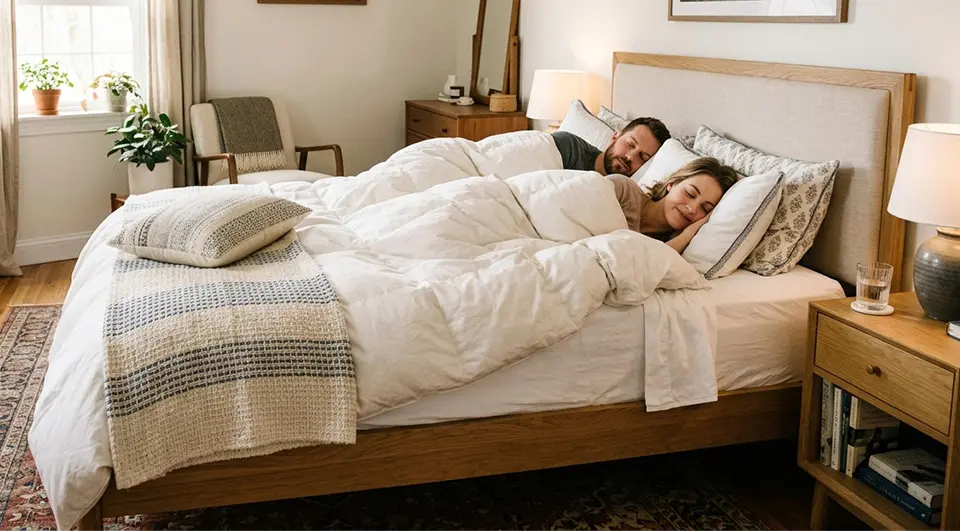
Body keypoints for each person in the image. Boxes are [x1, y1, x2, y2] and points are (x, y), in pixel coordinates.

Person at [607, 157, 738, 254]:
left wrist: (689, 233)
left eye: (705, 209)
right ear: (672, 183)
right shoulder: (622, 190)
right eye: (690, 194)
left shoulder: (673, 248)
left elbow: (645, 268)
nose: (692, 209)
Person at [552, 117, 671, 177]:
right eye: (630, 144)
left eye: (643, 157)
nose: (630, 157)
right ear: (615, 136)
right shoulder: (568, 146)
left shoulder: (625, 200)